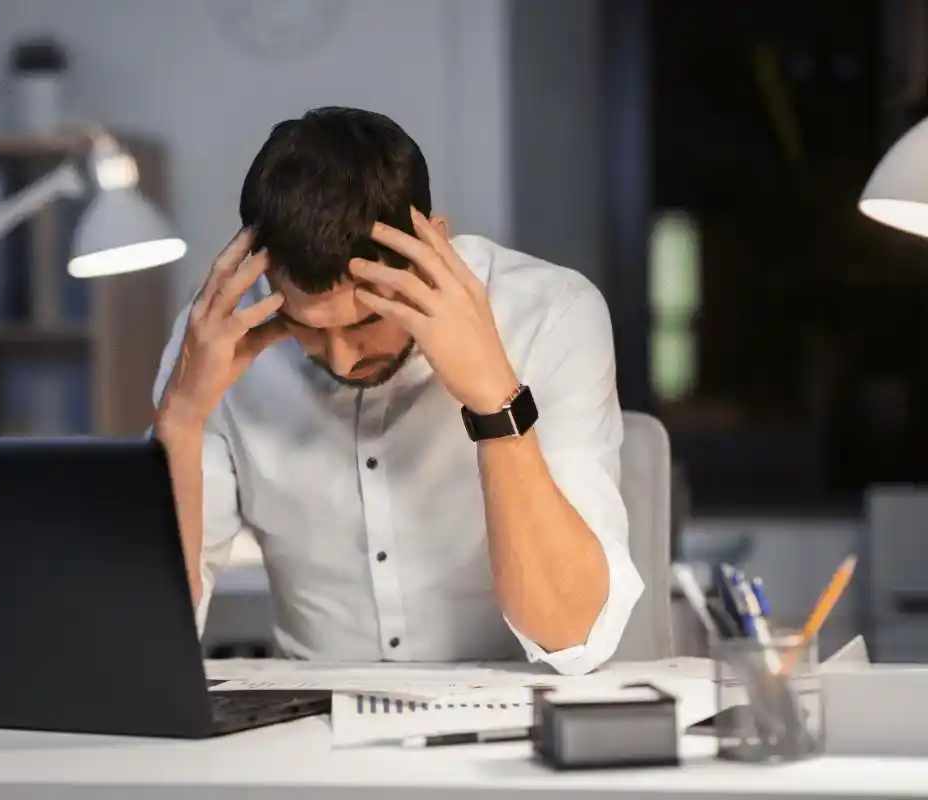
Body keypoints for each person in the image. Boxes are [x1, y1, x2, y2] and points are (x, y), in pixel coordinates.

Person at [151, 107, 643, 675]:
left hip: (508, 720)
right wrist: (181, 421)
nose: (339, 357)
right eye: (305, 325)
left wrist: (494, 400)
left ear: (432, 245)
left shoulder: (550, 314)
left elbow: (573, 635)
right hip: (307, 726)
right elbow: (151, 636)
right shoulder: (215, 337)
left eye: (365, 322)